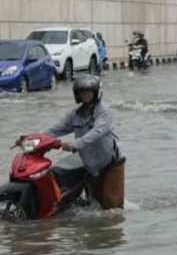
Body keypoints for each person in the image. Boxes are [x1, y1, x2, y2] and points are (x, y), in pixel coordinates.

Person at [44, 75, 126, 209]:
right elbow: (56, 129)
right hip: (92, 167)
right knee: (96, 207)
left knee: (112, 209)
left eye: (89, 91)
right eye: (82, 91)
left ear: (96, 93)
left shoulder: (103, 113)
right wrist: (35, 138)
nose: (85, 94)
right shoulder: (75, 114)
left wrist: (75, 144)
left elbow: (96, 133)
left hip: (111, 164)